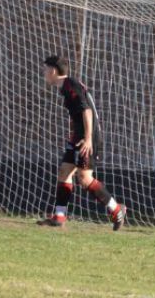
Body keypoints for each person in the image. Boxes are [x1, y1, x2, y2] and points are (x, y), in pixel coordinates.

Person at [37, 55, 127, 230]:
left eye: (45, 69)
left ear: (54, 70)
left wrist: (87, 139)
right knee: (64, 172)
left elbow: (86, 111)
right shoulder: (65, 87)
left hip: (88, 139)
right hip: (78, 138)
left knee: (85, 179)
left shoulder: (71, 85)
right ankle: (59, 216)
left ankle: (116, 210)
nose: (44, 72)